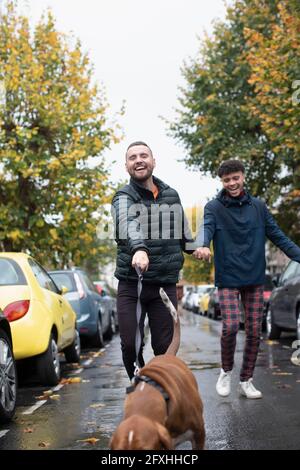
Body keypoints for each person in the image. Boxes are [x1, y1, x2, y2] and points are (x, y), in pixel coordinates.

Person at [193, 159, 300, 399]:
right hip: (228, 276)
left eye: (235, 178)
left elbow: (279, 237)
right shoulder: (214, 207)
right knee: (230, 326)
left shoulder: (259, 207)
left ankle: (246, 379)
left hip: (254, 277)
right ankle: (226, 370)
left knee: (253, 331)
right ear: (222, 181)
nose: (232, 183)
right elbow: (206, 229)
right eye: (227, 180)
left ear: (243, 177)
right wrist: (202, 245)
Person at [111, 141, 193, 380]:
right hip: (131, 285)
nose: (138, 159)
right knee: (130, 346)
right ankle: (139, 384)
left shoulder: (171, 195)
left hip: (163, 286)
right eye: (132, 157)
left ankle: (161, 390)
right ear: (126, 166)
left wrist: (195, 248)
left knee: (164, 348)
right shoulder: (123, 197)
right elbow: (127, 223)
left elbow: (182, 230)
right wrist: (139, 249)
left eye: (143, 155)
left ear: (153, 161)